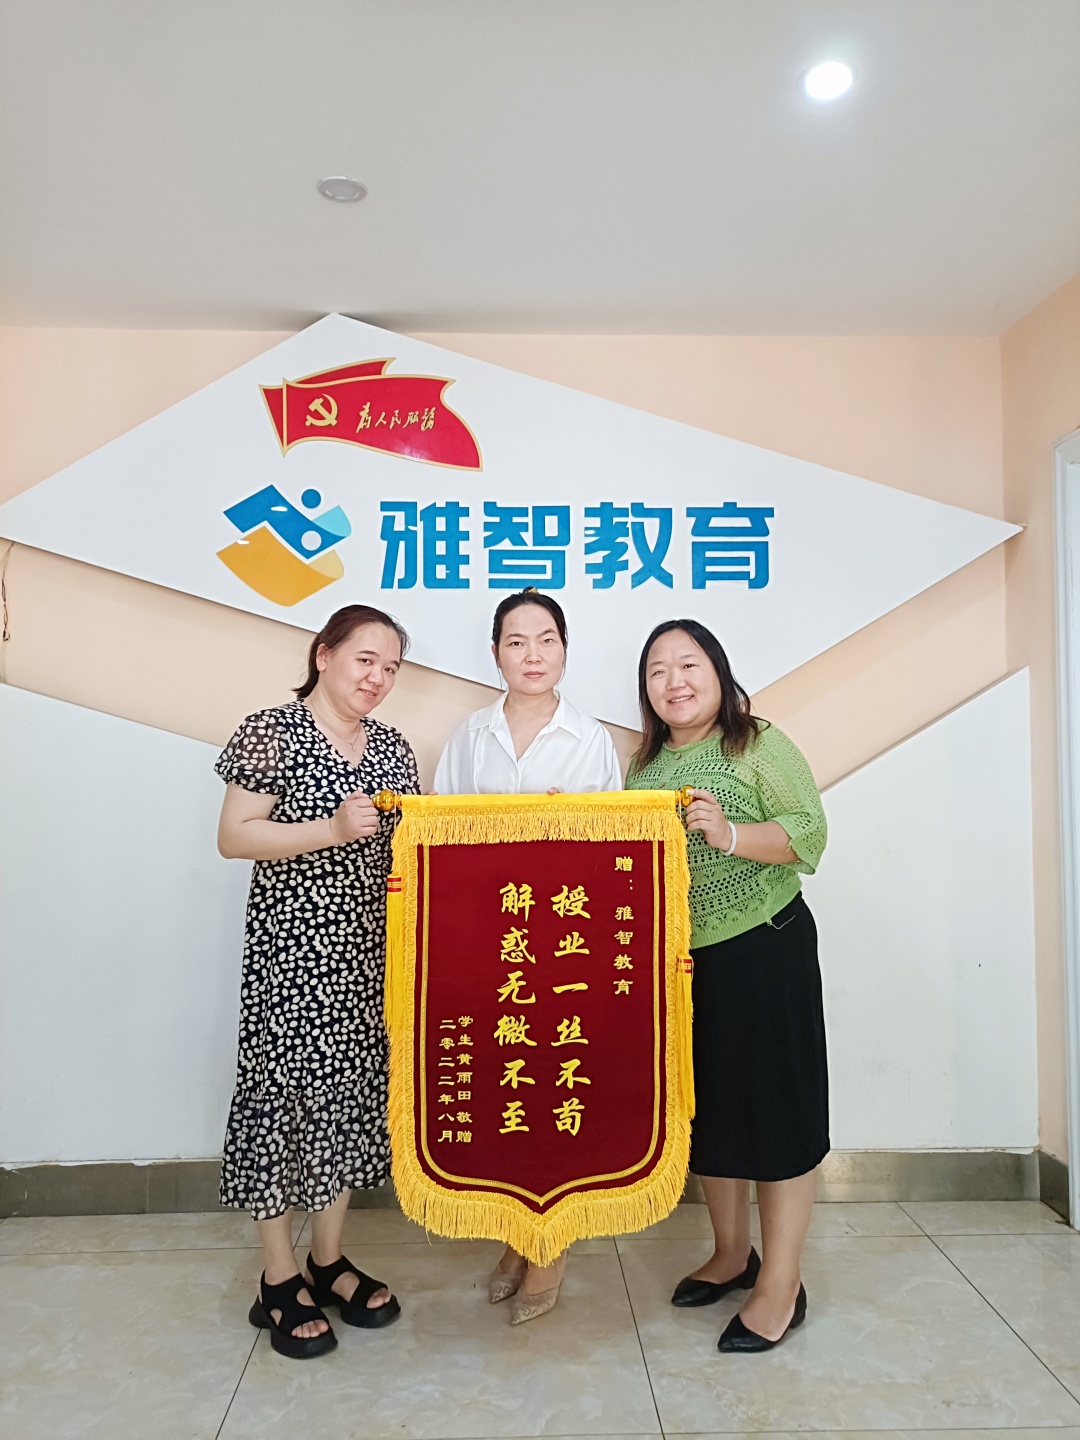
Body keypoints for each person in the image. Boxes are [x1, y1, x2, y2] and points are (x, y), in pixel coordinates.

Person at [215, 604, 419, 1359]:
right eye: (366, 660)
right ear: (324, 655)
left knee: (348, 1103)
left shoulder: (393, 747)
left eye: (390, 668)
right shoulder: (272, 731)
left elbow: (409, 845)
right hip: (292, 960)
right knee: (279, 1104)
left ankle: (327, 1260)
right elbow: (234, 835)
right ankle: (277, 1275)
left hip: (368, 959)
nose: (378, 678)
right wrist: (328, 831)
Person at [625, 618, 828, 1354]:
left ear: (718, 672)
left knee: (777, 1114)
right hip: (684, 965)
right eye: (657, 671)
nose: (674, 682)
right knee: (710, 1110)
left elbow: (809, 832)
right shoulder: (643, 767)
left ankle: (781, 1283)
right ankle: (731, 1253)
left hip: (765, 949)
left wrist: (731, 834)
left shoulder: (756, 743)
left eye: (688, 665)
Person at [434, 588, 621, 1322]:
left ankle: (554, 1248)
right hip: (491, 943)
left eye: (546, 640)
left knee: (559, 1091)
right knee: (505, 1091)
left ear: (565, 651)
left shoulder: (590, 739)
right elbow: (441, 840)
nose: (532, 655)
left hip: (563, 950)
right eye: (516, 642)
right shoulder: (470, 736)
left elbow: (611, 850)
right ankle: (518, 1234)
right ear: (495, 654)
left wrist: (561, 826)